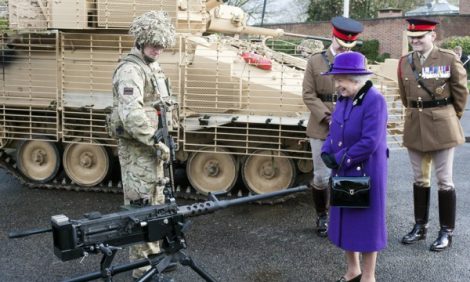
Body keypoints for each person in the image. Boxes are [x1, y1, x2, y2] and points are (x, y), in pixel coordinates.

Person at [109, 11, 176, 279]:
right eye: (153, 44)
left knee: (157, 204)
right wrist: (155, 141)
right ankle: (141, 270)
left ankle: (153, 257)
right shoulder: (130, 70)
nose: (158, 49)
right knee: (141, 207)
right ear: (140, 41)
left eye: (161, 45)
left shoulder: (152, 66)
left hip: (153, 149)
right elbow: (131, 114)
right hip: (139, 150)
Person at [398, 18, 468, 252]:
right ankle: (420, 226)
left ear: (433, 36)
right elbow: (404, 95)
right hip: (415, 124)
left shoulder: (448, 58)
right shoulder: (404, 62)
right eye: (412, 38)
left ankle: (446, 231)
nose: (415, 41)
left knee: (445, 181)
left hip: (442, 124)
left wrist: (450, 117)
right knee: (419, 179)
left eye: (420, 37)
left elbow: (460, 92)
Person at [321, 51, 388, 282]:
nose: (337, 84)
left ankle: (368, 277)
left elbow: (370, 141)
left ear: (354, 79)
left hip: (365, 170)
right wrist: (326, 151)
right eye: (336, 80)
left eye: (340, 79)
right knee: (347, 221)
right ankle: (353, 271)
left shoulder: (374, 100)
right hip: (344, 167)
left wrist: (342, 158)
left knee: (367, 226)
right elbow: (334, 130)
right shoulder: (343, 98)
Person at [302, 16, 364, 237]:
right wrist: (328, 117)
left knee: (349, 172)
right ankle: (322, 215)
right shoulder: (315, 61)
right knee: (321, 176)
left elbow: (363, 92)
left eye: (349, 45)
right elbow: (308, 94)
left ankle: (347, 217)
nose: (345, 48)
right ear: (333, 36)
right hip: (322, 126)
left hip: (350, 126)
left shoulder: (358, 60)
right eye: (341, 43)